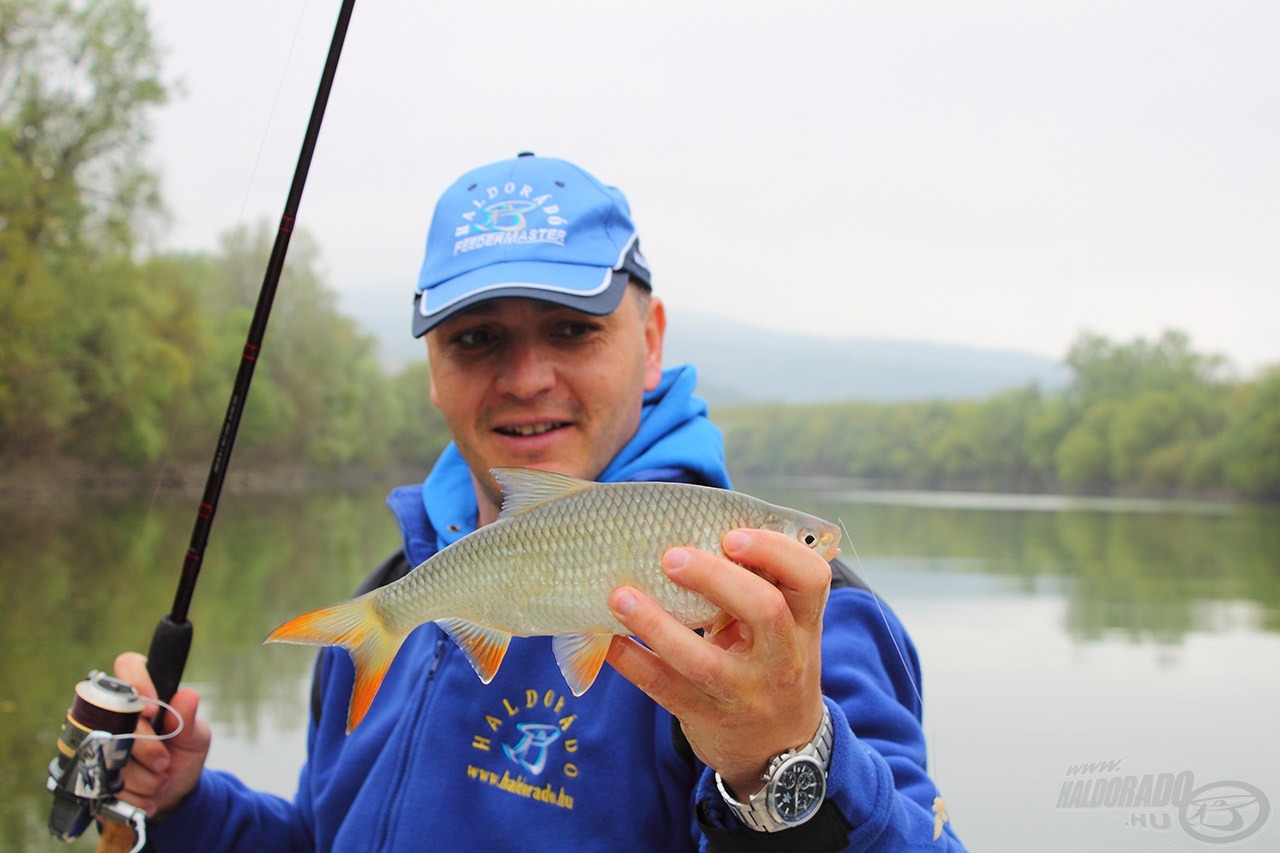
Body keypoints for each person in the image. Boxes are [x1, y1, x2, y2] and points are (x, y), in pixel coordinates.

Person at [114, 153, 966, 851]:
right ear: (434, 369)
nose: (527, 379)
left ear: (652, 339)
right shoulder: (398, 593)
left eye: (572, 329)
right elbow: (322, 837)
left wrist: (784, 766)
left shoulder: (794, 620)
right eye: (477, 338)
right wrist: (189, 807)